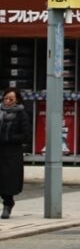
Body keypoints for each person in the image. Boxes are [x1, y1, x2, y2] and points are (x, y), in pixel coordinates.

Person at [0, 87, 29, 220]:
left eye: (11, 99)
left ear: (17, 100)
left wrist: (9, 138)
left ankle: (8, 204)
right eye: (5, 98)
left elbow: (26, 135)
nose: (7, 101)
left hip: (12, 152)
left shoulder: (21, 114)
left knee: (8, 181)